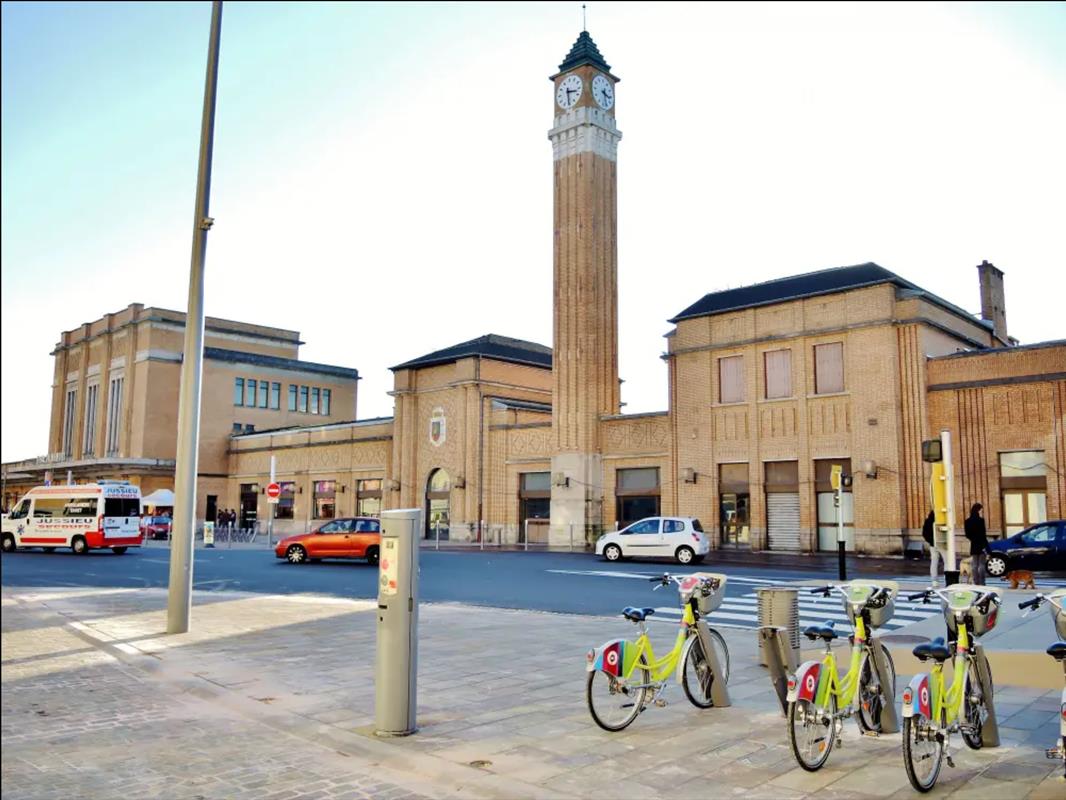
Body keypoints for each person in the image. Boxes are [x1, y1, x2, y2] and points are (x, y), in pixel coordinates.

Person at [964, 502, 989, 585]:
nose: (981, 511)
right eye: (981, 510)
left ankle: (976, 581)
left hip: (974, 544)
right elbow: (983, 533)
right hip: (981, 543)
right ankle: (982, 581)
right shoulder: (981, 520)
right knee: (981, 564)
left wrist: (973, 539)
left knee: (974, 564)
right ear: (978, 510)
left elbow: (967, 534)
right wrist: (985, 545)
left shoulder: (967, 521)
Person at [922, 510, 940, 586]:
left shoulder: (928, 521)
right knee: (947, 561)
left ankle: (934, 580)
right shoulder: (939, 520)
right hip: (942, 543)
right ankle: (948, 578)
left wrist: (930, 540)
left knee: (934, 561)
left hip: (932, 544)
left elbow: (924, 533)